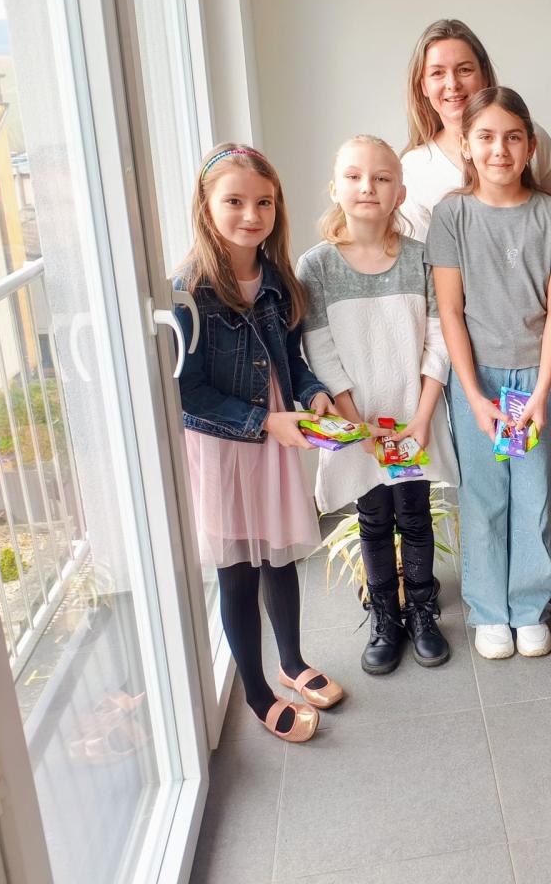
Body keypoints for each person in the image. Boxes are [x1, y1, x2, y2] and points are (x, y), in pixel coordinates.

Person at [175, 143, 343, 743]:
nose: (252, 214)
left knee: (280, 554)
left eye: (264, 202)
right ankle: (255, 692)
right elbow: (187, 394)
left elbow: (290, 361)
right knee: (239, 570)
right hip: (227, 446)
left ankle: (292, 661)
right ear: (206, 206)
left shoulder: (278, 282)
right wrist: (264, 422)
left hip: (275, 436)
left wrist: (314, 394)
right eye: (235, 201)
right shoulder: (189, 292)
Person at [296, 135, 459, 676]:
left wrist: (423, 416)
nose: (368, 187)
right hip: (357, 424)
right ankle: (385, 616)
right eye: (354, 176)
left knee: (414, 514)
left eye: (382, 178)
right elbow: (320, 348)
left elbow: (438, 339)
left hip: (412, 419)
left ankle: (423, 611)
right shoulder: (316, 266)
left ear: (400, 193)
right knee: (372, 519)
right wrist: (355, 426)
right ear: (334, 188)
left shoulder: (421, 258)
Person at [426, 87, 551, 661]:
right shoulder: (452, 215)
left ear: (530, 146)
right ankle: (489, 611)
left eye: (513, 137)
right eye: (486, 137)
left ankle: (529, 607)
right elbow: (450, 312)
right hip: (476, 378)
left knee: (534, 492)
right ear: (466, 144)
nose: (500, 149)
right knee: (484, 496)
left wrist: (541, 390)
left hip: (537, 375)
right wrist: (473, 395)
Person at [401, 19, 551, 242]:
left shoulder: (532, 138)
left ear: (484, 75)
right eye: (437, 73)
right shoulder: (414, 167)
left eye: (464, 70)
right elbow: (422, 258)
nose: (452, 84)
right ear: (423, 85)